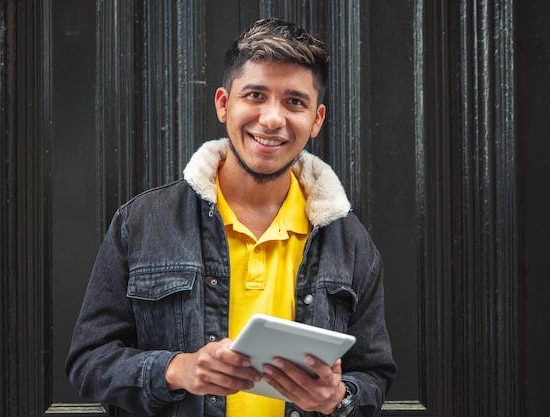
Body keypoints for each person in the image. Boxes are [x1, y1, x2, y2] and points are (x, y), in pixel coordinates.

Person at [66, 17, 396, 417]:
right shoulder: (142, 222)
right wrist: (177, 369)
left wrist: (336, 398)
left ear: (317, 120)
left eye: (295, 101)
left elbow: (373, 375)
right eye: (255, 95)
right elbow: (89, 362)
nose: (272, 118)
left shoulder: (351, 241)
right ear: (224, 104)